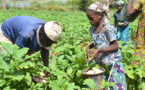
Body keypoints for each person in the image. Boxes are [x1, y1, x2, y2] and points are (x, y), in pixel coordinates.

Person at [0, 16, 62, 84]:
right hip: (6, 34)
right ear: (40, 34)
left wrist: (46, 69)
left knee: (26, 67)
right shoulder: (26, 34)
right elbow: (17, 54)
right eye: (47, 42)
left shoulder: (49, 32)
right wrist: (31, 76)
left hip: (20, 34)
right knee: (9, 63)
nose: (48, 45)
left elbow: (45, 50)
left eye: (51, 43)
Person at [85, 2, 127, 90]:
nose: (89, 21)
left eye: (91, 18)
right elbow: (97, 41)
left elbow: (115, 46)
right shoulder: (92, 29)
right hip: (102, 63)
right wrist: (89, 46)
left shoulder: (108, 28)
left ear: (100, 15)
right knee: (104, 86)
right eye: (88, 19)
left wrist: (99, 50)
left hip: (113, 63)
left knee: (116, 86)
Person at [126, 0, 145, 66]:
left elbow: (129, 13)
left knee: (140, 50)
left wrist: (130, 1)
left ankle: (141, 70)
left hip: (142, 34)